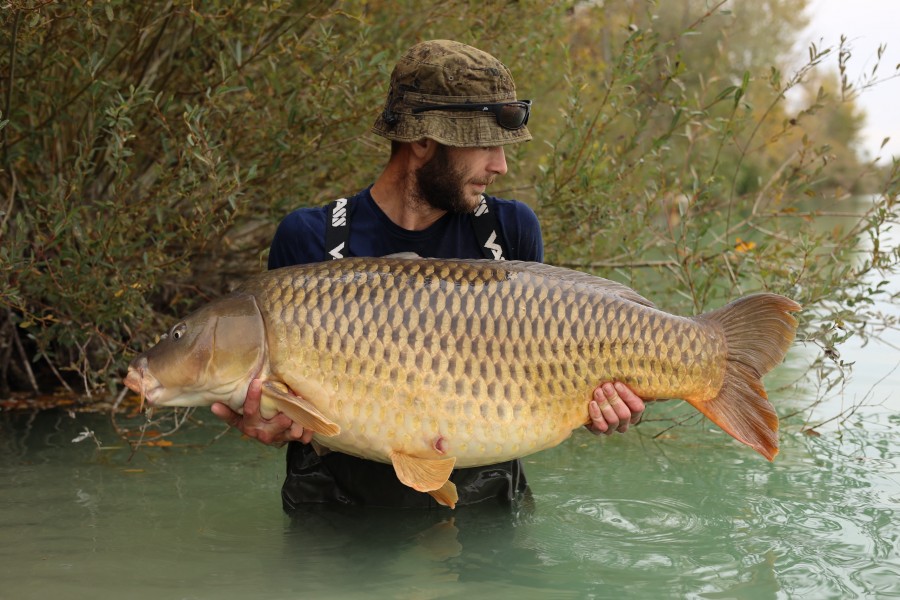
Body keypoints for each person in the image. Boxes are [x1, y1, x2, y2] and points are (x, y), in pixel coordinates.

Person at [211, 40, 645, 509]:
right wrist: (270, 425)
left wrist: (608, 405)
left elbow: (547, 380)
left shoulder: (510, 230)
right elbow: (281, 412)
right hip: (339, 521)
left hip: (485, 520)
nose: (499, 165)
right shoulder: (309, 239)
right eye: (484, 145)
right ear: (421, 142)